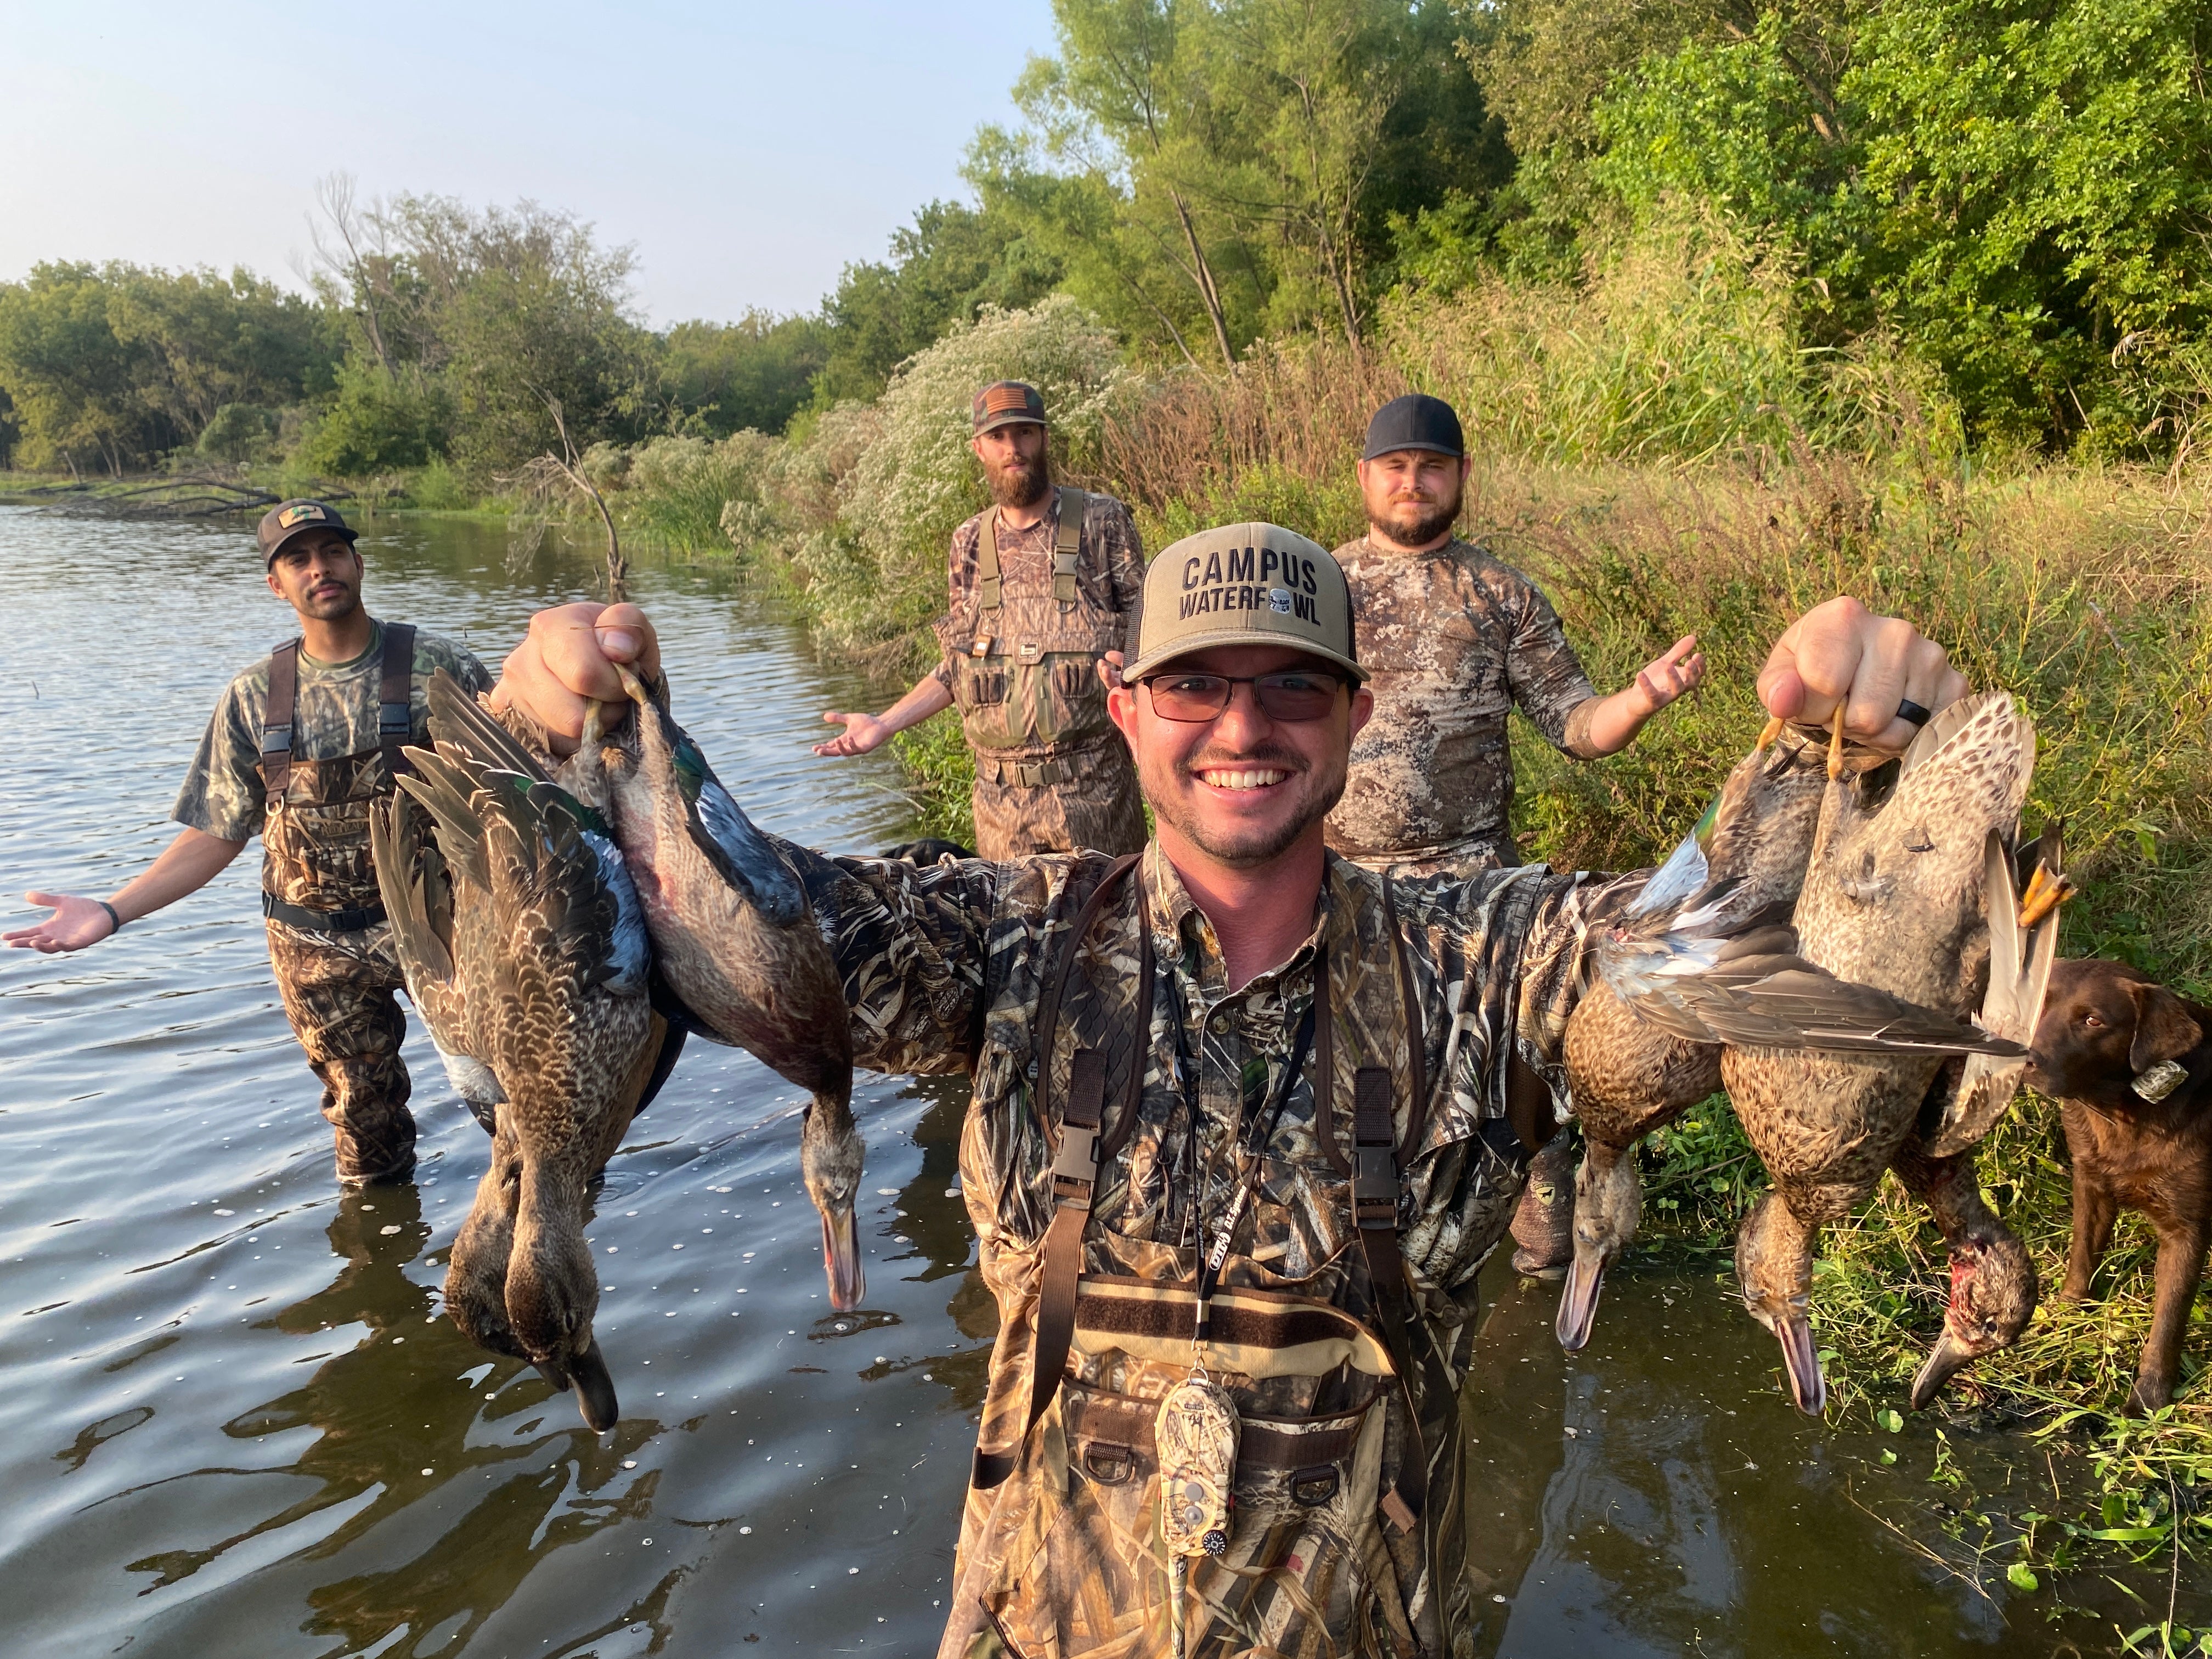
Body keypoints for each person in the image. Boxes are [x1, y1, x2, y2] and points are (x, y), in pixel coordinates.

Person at [492, 536, 1961, 1657]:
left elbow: (1699, 944)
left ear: (1355, 715)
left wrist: (1826, 751)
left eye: (1289, 687)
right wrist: (568, 743)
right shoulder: (998, 944)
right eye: (1195, 682)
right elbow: (751, 924)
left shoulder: (1492, 956)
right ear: (1126, 710)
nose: (1241, 726)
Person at [5, 501, 493, 1184]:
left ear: (358, 563)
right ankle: (376, 1266)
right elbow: (217, 833)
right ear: (276, 584)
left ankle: (550, 1227)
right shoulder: (254, 697)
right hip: (313, 946)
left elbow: (506, 797)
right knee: (365, 1128)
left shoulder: (444, 668)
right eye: (298, 559)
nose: (319, 569)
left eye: (331, 552)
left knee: (509, 1088)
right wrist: (112, 912)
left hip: (441, 925)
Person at [1332, 394, 1707, 1277]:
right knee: (1358, 1088)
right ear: (1366, 479)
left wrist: (1641, 698)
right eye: (1396, 467)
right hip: (1344, 886)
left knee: (1516, 1089)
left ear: (1461, 477)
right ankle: (1365, 1253)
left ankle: (1543, 1263)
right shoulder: (1322, 588)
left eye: (1431, 466)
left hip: (1479, 896)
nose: (1412, 482)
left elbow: (1577, 724)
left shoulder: (1500, 595)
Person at [811, 379, 1147, 861]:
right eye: (998, 438)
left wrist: (1129, 673)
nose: (1014, 449)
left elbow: (1149, 639)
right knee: (1008, 938)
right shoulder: (968, 542)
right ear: (979, 448)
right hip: (1001, 814)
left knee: (1110, 934)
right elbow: (960, 667)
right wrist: (883, 725)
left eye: (1025, 434)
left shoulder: (1102, 521)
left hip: (1097, 799)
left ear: (1044, 438)